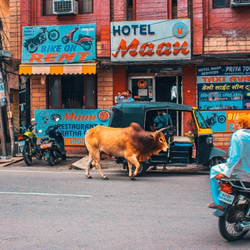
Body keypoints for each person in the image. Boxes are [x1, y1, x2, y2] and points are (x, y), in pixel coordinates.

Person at [208, 114, 250, 209]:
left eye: (234, 123)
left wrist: (226, 173)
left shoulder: (238, 135)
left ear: (241, 125)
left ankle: (218, 202)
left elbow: (235, 156)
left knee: (214, 170)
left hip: (240, 172)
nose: (233, 125)